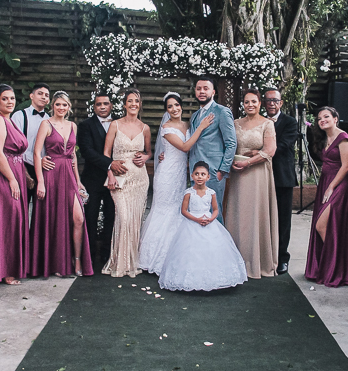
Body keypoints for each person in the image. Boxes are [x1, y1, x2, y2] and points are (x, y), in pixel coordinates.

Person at [137, 92, 213, 274]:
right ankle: (154, 257)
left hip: (180, 173)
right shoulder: (166, 127)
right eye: (170, 107)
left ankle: (177, 254)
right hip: (167, 173)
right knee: (165, 210)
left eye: (176, 105)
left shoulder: (187, 124)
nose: (174, 109)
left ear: (181, 106)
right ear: (166, 110)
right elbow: (186, 147)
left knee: (177, 209)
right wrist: (201, 128)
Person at [157, 161, 249, 292]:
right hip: (191, 223)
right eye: (197, 174)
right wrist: (197, 219)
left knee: (212, 249)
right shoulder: (188, 193)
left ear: (208, 177)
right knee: (190, 251)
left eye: (203, 174)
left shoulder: (211, 193)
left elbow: (216, 209)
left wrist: (211, 219)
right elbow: (183, 211)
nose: (200, 177)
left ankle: (213, 279)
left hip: (208, 222)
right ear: (192, 176)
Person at [30, 91, 94, 278]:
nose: (61, 108)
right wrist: (40, 181)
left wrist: (78, 180)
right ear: (53, 106)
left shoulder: (72, 125)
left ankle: (77, 259)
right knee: (53, 219)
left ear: (69, 107)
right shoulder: (46, 124)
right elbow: (36, 153)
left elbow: (73, 155)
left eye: (64, 105)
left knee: (78, 218)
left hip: (69, 175)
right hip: (51, 175)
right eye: (58, 104)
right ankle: (54, 263)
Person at [223, 89, 278, 279]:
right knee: (238, 214)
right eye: (247, 102)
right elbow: (229, 145)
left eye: (254, 102)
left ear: (260, 103)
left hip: (257, 174)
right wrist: (230, 162)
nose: (250, 105)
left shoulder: (267, 124)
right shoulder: (236, 123)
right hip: (237, 174)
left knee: (255, 214)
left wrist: (248, 162)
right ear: (243, 104)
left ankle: (256, 262)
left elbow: (270, 150)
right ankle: (234, 260)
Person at [0, 84, 30, 284]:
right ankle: (4, 270)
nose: (10, 102)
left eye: (12, 98)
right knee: (7, 218)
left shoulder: (9, 120)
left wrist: (24, 175)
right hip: (0, 174)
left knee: (13, 218)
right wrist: (11, 178)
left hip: (15, 172)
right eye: (5, 99)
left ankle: (10, 267)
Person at [304, 107, 348, 288]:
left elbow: (346, 166)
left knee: (322, 225)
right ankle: (330, 265)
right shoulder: (323, 138)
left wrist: (331, 187)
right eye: (319, 118)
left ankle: (337, 267)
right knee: (327, 226)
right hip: (325, 182)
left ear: (335, 118)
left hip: (338, 185)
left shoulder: (343, 138)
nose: (322, 120)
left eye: (326, 117)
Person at [103, 88, 152, 278]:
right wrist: (110, 175)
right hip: (119, 178)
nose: (133, 104)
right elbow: (106, 154)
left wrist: (145, 157)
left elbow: (149, 151)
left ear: (140, 105)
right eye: (130, 101)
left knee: (135, 220)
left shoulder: (145, 128)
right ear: (124, 104)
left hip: (140, 180)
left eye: (137, 101)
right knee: (123, 218)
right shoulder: (114, 125)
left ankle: (133, 261)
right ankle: (119, 262)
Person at [78, 92, 116, 272]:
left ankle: (108, 256)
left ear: (111, 106)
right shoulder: (85, 125)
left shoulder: (119, 124)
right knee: (90, 218)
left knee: (112, 217)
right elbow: (86, 151)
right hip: (92, 180)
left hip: (114, 180)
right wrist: (109, 163)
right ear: (94, 107)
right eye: (98, 104)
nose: (102, 107)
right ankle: (90, 256)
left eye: (105, 104)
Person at [264, 88, 300, 275]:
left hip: (282, 178)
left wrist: (262, 151)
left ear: (281, 103)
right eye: (268, 100)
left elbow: (285, 145)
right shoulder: (260, 121)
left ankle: (282, 258)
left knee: (283, 219)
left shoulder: (290, 122)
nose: (271, 103)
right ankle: (265, 255)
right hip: (261, 176)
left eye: (274, 100)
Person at [188, 76, 237, 204]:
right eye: (198, 89)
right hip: (195, 172)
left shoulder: (222, 112)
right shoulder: (194, 116)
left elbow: (231, 143)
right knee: (197, 211)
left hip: (213, 172)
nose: (202, 91)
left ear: (213, 92)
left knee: (214, 211)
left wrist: (222, 171)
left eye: (206, 88)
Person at [11, 82, 51, 205]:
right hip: (23, 166)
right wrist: (25, 173)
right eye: (40, 94)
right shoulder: (19, 116)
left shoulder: (49, 119)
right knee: (21, 206)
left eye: (47, 95)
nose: (44, 97)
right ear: (31, 96)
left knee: (42, 210)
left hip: (44, 168)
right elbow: (13, 146)